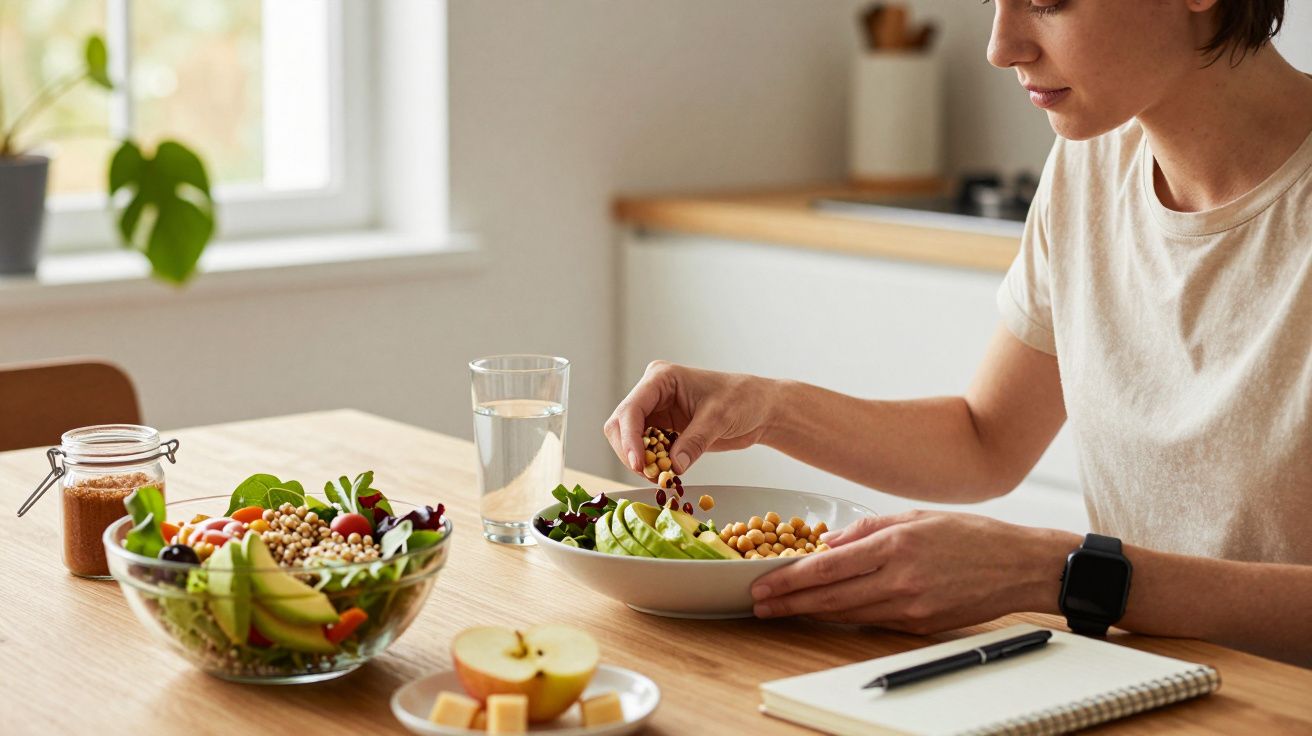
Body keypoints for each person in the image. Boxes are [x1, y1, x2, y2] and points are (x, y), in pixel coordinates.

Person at [604, 0, 1312, 667]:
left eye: (1048, 1)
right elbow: (985, 439)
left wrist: (1058, 572)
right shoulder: (1092, 165)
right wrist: (764, 405)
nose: (1001, 47)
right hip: (1142, 683)